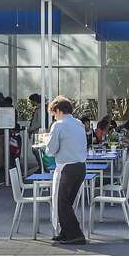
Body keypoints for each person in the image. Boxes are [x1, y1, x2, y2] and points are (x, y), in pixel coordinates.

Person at [45, 96, 88, 244]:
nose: (54, 116)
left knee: (61, 202)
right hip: (81, 167)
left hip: (66, 167)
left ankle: (75, 234)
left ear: (58, 110)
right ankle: (66, 232)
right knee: (68, 202)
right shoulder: (79, 124)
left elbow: (51, 150)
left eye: (53, 113)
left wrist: (46, 143)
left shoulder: (58, 125)